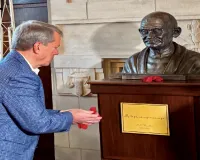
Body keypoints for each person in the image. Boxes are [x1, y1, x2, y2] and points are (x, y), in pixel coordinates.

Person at [0, 20, 102, 160]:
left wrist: (63, 113)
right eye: (55, 47)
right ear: (38, 47)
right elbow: (37, 123)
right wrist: (72, 117)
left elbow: (26, 111)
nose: (57, 52)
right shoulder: (20, 75)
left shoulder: (12, 66)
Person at [122, 11, 200, 74]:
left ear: (176, 32)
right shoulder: (132, 62)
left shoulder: (195, 61)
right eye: (144, 31)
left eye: (157, 30)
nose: (149, 36)